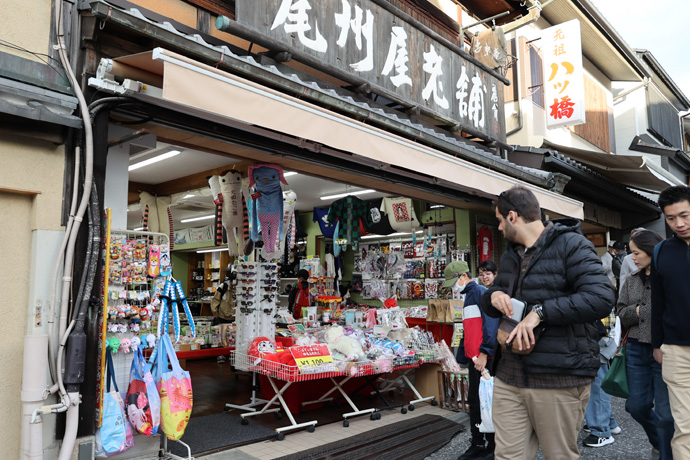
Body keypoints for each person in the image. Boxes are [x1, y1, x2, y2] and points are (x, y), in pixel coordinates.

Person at [481, 186, 615, 460]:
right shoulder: (510, 256)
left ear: (512, 216)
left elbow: (601, 297)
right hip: (508, 375)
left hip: (558, 376)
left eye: (499, 220)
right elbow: (493, 297)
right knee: (507, 456)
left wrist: (541, 313)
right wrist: (493, 295)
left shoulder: (571, 244)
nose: (499, 227)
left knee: (559, 455)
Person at [617, 229, 672, 459]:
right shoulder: (631, 279)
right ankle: (661, 442)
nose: (632, 258)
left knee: (666, 414)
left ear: (651, 250)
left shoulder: (669, 276)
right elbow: (620, 312)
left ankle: (666, 452)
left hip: (664, 348)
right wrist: (638, 311)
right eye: (631, 253)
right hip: (636, 348)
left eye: (636, 253)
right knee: (635, 406)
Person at [445, 261, 499, 460]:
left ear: (464, 276)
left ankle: (492, 446)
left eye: (453, 282)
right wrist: (464, 356)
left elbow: (491, 325)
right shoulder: (469, 295)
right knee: (476, 402)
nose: (453, 287)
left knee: (487, 402)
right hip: (476, 358)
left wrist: (484, 353)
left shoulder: (479, 292)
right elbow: (468, 330)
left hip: (484, 359)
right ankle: (478, 443)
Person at [651, 185, 690, 459]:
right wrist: (657, 344)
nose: (679, 224)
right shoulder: (661, 251)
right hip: (675, 350)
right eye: (671, 218)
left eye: (685, 215)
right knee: (684, 427)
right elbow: (658, 301)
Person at [582, 319, 621, 448]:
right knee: (596, 385)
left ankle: (601, 431)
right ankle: (608, 423)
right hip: (600, 335)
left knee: (596, 388)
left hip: (598, 338)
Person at [211, 267, 236, 363]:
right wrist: (214, 312)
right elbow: (215, 300)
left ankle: (232, 354)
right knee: (222, 336)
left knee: (233, 336)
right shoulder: (223, 287)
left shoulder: (239, 288)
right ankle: (221, 355)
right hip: (223, 316)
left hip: (234, 317)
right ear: (230, 280)